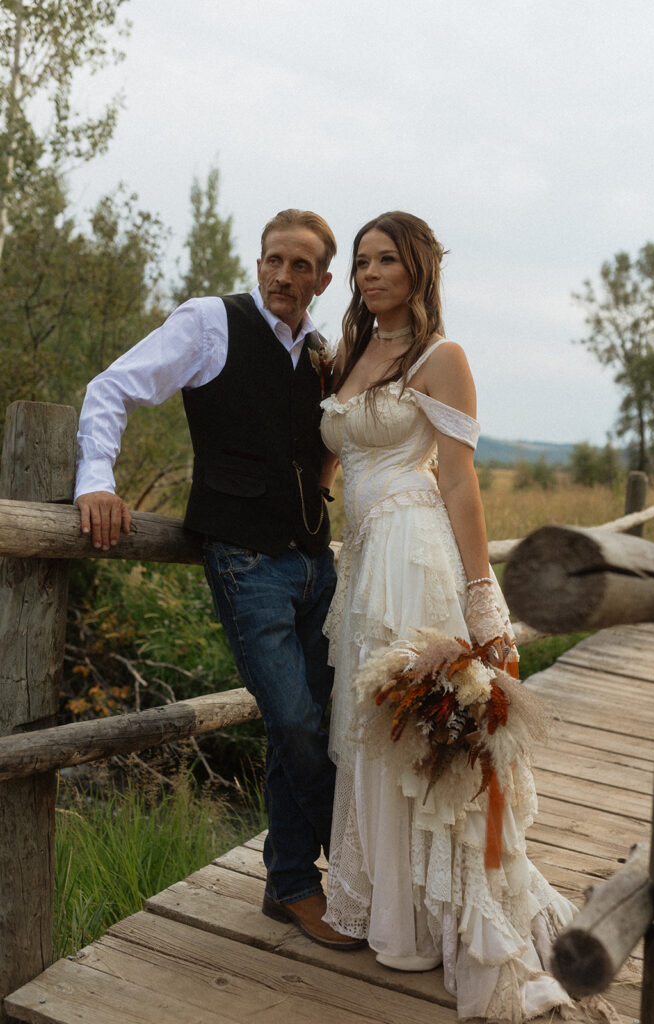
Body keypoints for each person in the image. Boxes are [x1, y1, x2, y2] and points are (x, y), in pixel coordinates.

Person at [319, 212, 619, 1020]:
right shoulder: (348, 354)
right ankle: (397, 917)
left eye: (386, 260)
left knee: (418, 729)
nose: (370, 272)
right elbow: (332, 457)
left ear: (418, 269)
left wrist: (483, 600)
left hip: (414, 554)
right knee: (368, 725)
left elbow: (457, 481)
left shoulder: (441, 357)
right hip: (361, 564)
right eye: (361, 261)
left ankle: (456, 919)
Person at [74, 209, 363, 951]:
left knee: (307, 725)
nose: (282, 275)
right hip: (245, 562)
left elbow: (321, 449)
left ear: (323, 280)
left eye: (301, 266)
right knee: (295, 722)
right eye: (273, 260)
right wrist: (95, 483)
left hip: (313, 565)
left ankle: (291, 884)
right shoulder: (210, 323)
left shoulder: (321, 353)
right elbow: (112, 388)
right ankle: (368, 870)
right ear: (258, 262)